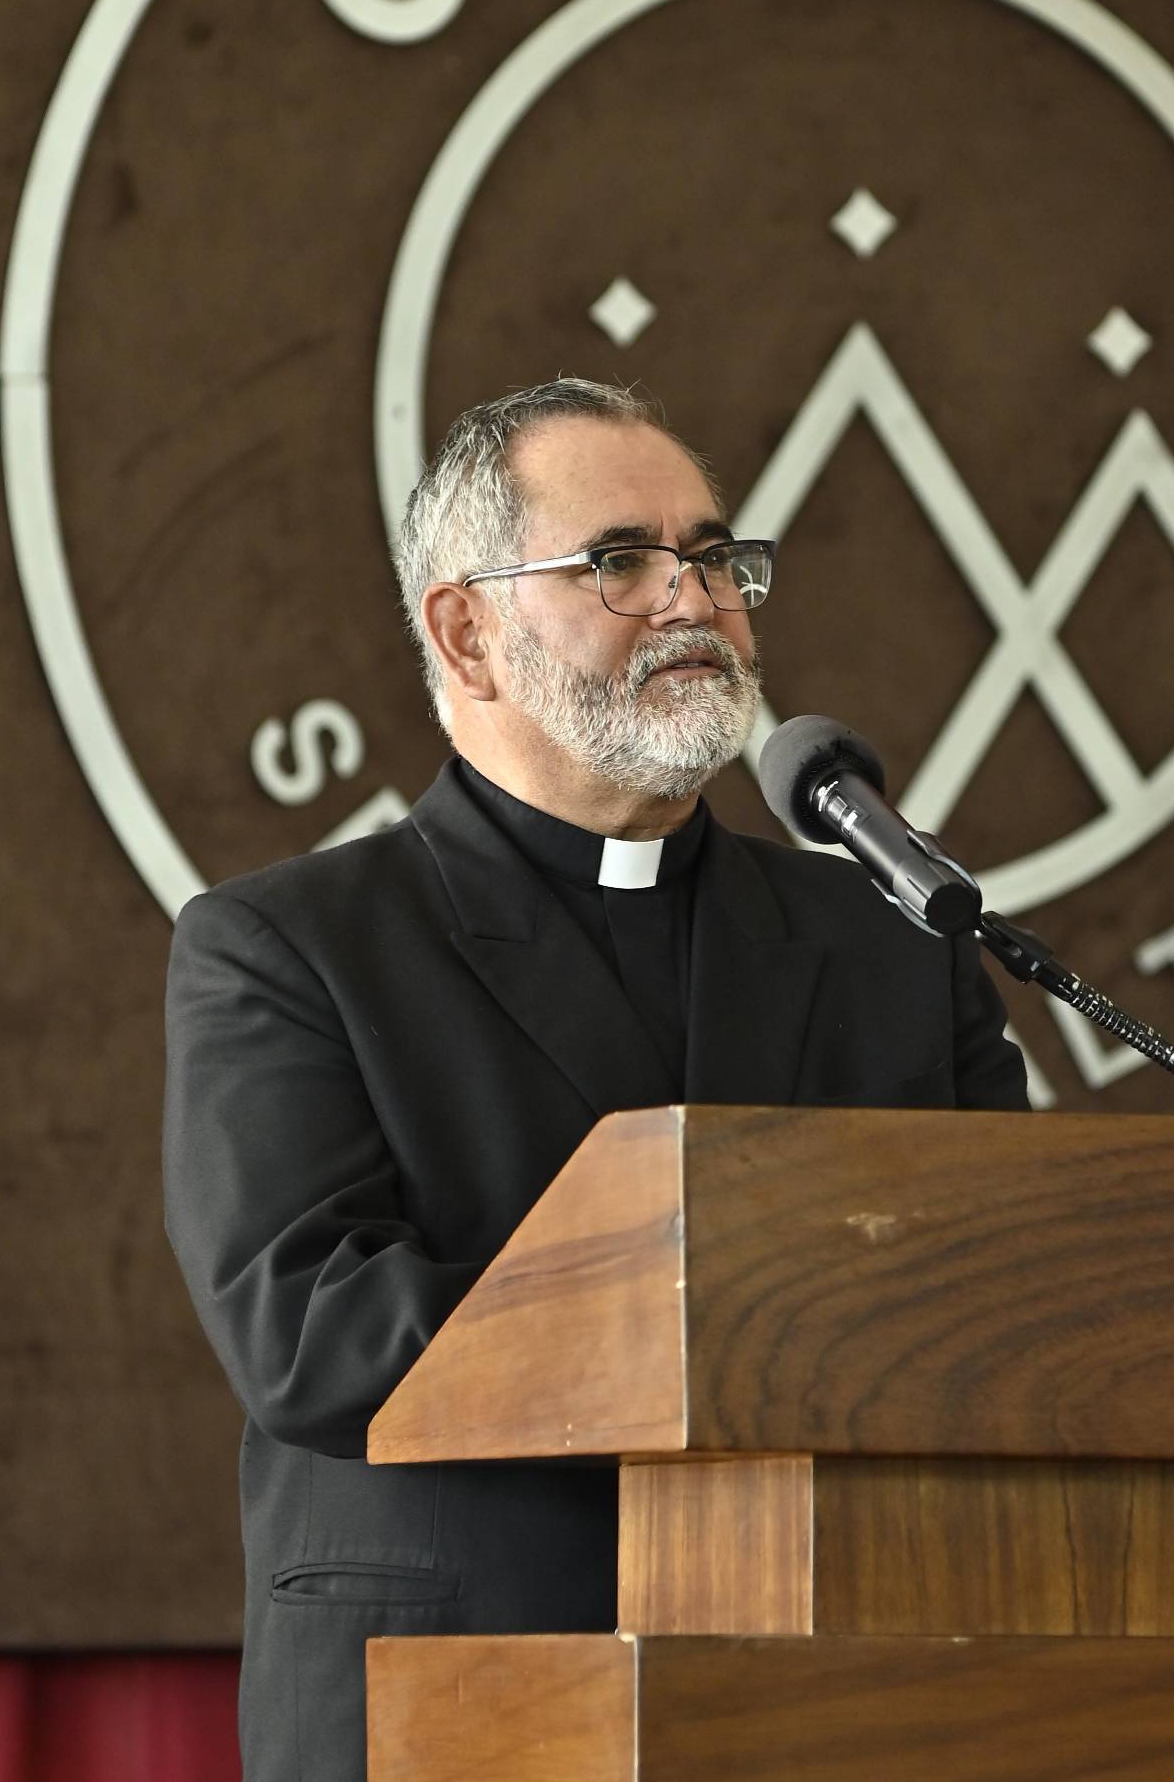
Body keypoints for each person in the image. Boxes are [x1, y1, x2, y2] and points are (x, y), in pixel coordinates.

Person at [164, 377, 1028, 1781]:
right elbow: (312, 1332)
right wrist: (746, 1344)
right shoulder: (287, 948)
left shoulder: (884, 943)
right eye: (621, 560)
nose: (692, 601)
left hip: (840, 1694)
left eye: (711, 557)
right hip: (459, 1698)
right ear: (467, 630)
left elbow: (1010, 1285)